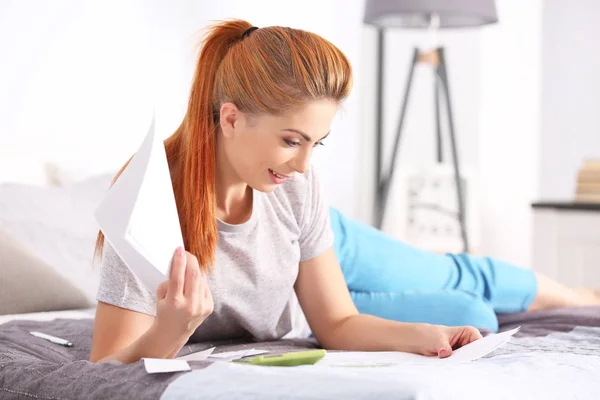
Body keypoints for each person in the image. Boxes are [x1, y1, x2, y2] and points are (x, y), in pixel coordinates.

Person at [89, 20, 483, 364]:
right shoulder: (149, 205)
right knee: (472, 306)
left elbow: (337, 321)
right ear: (231, 119)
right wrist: (170, 331)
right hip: (296, 247)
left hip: (324, 238)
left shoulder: (297, 184)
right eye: (292, 141)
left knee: (466, 285)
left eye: (318, 143)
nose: (305, 166)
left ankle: (545, 288)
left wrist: (425, 339)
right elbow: (104, 368)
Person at [327, 208, 600, 333]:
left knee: (464, 277)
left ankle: (580, 297)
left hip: (327, 244)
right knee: (474, 316)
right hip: (299, 310)